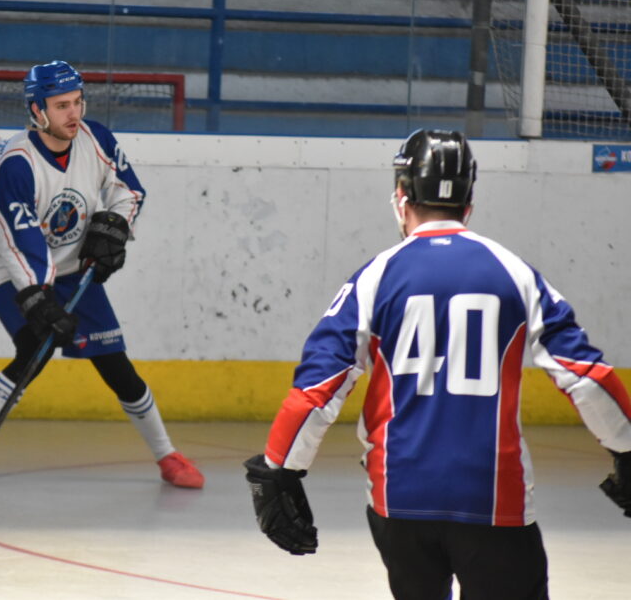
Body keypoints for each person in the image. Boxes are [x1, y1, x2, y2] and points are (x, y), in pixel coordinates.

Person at [244, 129, 631, 599]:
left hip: (399, 498)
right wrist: (627, 449)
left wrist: (280, 471)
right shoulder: (516, 273)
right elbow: (586, 377)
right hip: (493, 498)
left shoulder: (375, 276)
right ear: (469, 201)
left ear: (401, 195)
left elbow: (318, 387)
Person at [0, 60, 204, 494]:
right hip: (10, 268)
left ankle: (168, 455)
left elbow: (129, 190)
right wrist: (38, 296)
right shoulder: (16, 165)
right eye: (62, 106)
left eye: (77, 102)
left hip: (73, 266)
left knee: (115, 364)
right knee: (34, 350)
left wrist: (116, 228)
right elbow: (19, 240)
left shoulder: (96, 139)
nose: (73, 113)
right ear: (37, 110)